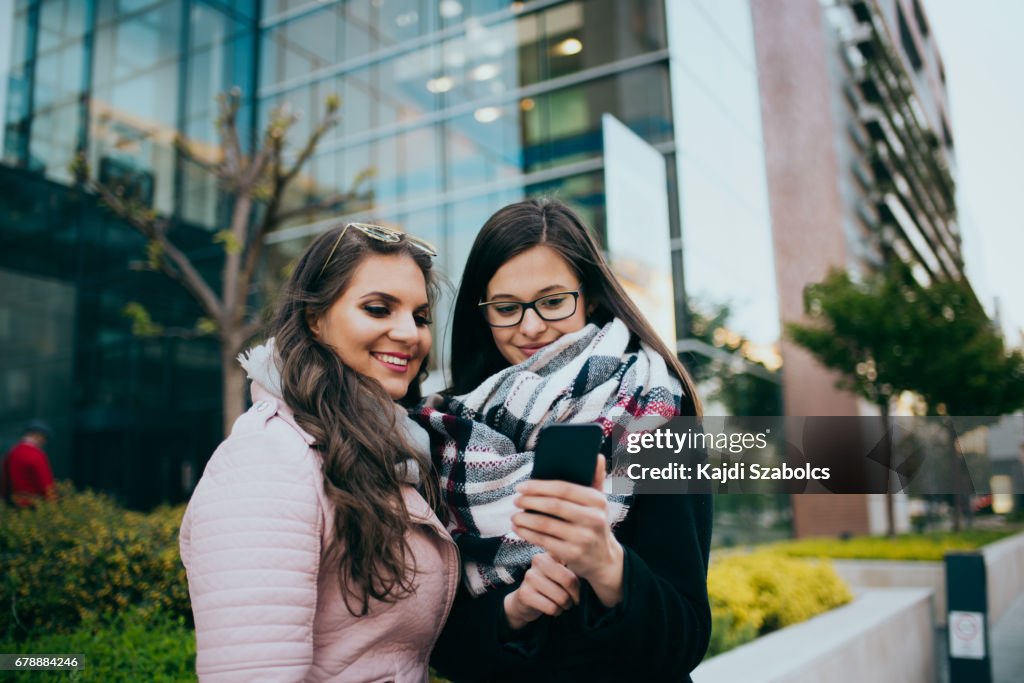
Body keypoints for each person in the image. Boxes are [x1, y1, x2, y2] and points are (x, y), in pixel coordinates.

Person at [416, 198, 713, 681]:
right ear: (482, 312)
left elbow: (685, 637)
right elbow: (437, 644)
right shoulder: (446, 429)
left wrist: (607, 566)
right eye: (506, 308)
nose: (530, 327)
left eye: (553, 301)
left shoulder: (655, 410)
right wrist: (514, 612)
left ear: (590, 296)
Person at [179, 223, 458, 682]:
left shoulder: (390, 447)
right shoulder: (267, 459)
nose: (410, 334)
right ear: (314, 317)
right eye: (378, 308)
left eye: (421, 316)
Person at [1, 420, 57, 508]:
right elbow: (46, 483)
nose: (44, 441)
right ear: (38, 436)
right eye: (44, 438)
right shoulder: (37, 455)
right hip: (34, 506)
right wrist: (53, 503)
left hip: (13, 504)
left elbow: (4, 481)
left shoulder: (12, 453)